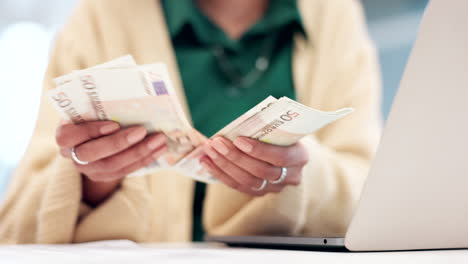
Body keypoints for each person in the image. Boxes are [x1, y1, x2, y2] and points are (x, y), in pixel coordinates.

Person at [0, 0, 381, 244]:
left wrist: (301, 175)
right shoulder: (101, 16)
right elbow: (14, 229)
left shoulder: (333, 14)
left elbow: (375, 197)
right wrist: (91, 183)